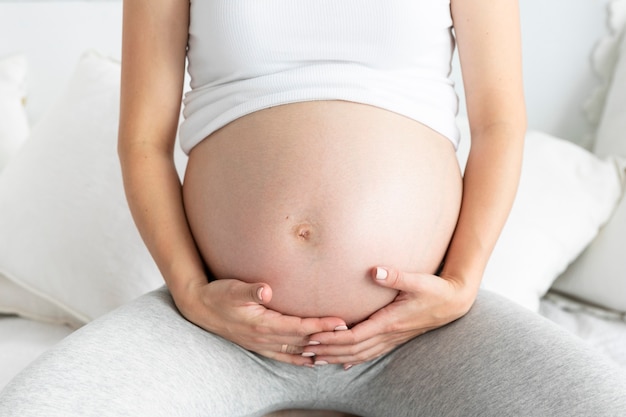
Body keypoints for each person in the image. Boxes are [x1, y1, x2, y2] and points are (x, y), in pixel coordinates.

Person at [1, 0, 625, 416]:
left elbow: (499, 125)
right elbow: (142, 142)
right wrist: (191, 293)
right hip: (223, 332)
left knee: (600, 403)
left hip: (413, 333)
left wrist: (460, 285)